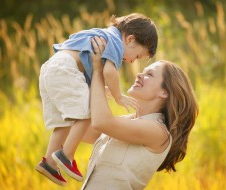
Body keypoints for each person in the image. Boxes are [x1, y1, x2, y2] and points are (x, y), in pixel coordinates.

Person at [35, 13, 158, 186]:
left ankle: (49, 163)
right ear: (130, 39)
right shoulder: (115, 42)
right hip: (65, 69)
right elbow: (108, 72)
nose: (131, 61)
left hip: (52, 68)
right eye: (137, 56)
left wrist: (100, 87)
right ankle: (66, 155)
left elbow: (83, 60)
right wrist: (118, 96)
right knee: (88, 110)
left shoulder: (102, 33)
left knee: (64, 122)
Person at [80, 36, 198, 190]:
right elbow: (80, 130)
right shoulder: (125, 122)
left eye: (149, 75)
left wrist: (97, 71)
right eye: (142, 72)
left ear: (164, 92)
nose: (139, 75)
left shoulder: (158, 132)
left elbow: (101, 122)